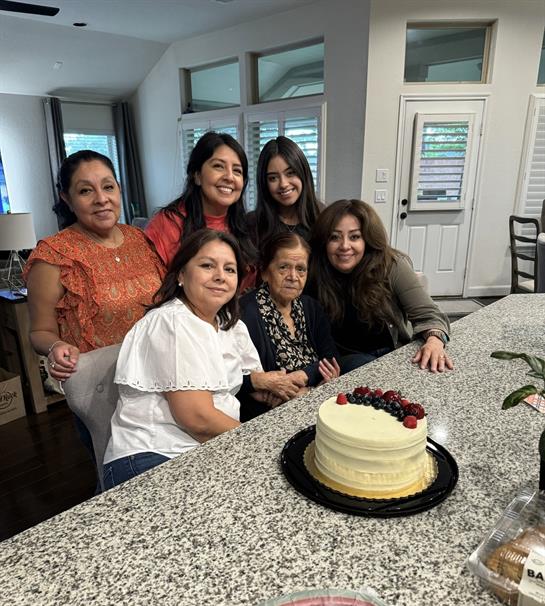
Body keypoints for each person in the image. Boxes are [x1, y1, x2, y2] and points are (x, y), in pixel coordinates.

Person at [103, 229, 303, 488]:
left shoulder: (229, 325)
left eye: (230, 269)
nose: (220, 276)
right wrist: (255, 441)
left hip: (204, 448)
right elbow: (197, 418)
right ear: (182, 276)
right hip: (153, 455)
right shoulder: (173, 321)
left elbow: (250, 384)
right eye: (207, 265)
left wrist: (283, 389)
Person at [24, 149, 165, 464]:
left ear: (119, 189)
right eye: (86, 190)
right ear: (67, 198)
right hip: (103, 390)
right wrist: (56, 345)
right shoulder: (53, 255)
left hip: (155, 376)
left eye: (108, 186)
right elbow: (40, 331)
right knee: (120, 470)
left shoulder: (138, 239)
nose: (101, 198)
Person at [308, 199, 453, 374]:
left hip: (391, 355)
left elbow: (430, 315)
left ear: (367, 239)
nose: (344, 246)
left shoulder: (391, 265)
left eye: (354, 236)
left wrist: (434, 341)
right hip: (343, 363)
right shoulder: (313, 271)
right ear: (324, 241)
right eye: (334, 237)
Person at [239, 232, 340, 421]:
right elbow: (235, 377)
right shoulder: (245, 312)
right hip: (267, 411)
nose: (293, 277)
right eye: (283, 267)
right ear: (265, 272)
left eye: (301, 269)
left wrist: (303, 377)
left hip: (313, 393)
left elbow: (330, 357)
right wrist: (284, 390)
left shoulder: (311, 307)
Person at [145, 131, 256, 288]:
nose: (229, 177)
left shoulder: (246, 226)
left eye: (237, 170)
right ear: (197, 175)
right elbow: (153, 290)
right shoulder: (167, 224)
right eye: (219, 166)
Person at [248, 136, 322, 246]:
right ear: (264, 183)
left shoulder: (323, 218)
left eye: (290, 173)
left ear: (303, 173)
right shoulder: (252, 224)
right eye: (273, 178)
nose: (283, 184)